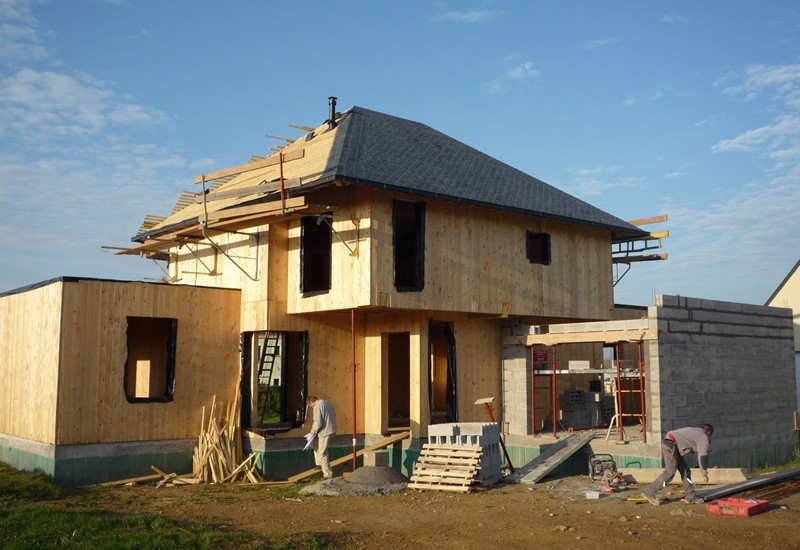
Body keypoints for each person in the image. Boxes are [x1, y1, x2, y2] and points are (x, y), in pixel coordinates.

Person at [642, 423, 713, 505]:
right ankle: (649, 492)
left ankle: (691, 495)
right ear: (709, 433)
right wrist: (704, 474)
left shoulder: (696, 431)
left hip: (671, 444)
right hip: (671, 446)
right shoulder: (703, 436)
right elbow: (703, 456)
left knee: (685, 471)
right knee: (670, 473)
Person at [306, 395, 337, 479]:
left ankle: (327, 474)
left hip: (325, 432)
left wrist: (312, 432)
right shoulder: (327, 403)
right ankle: (319, 464)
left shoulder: (318, 406)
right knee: (315, 444)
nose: (312, 407)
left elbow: (318, 422)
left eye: (310, 406)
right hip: (330, 429)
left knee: (322, 452)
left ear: (311, 402)